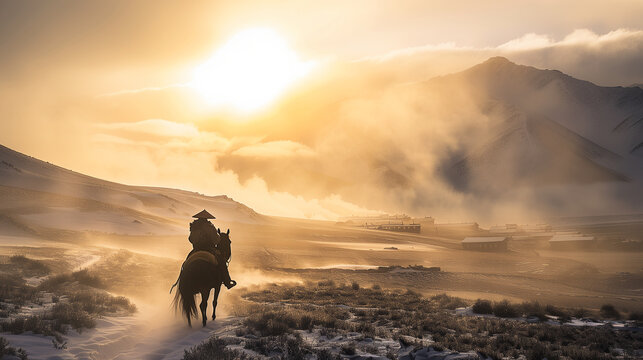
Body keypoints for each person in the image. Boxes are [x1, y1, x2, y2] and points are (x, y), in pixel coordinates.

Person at [185, 209, 236, 289]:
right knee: (222, 262)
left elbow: (190, 239)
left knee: (186, 263)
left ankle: (182, 280)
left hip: (196, 249)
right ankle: (227, 281)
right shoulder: (209, 226)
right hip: (209, 249)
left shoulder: (194, 226)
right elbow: (216, 240)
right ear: (206, 218)